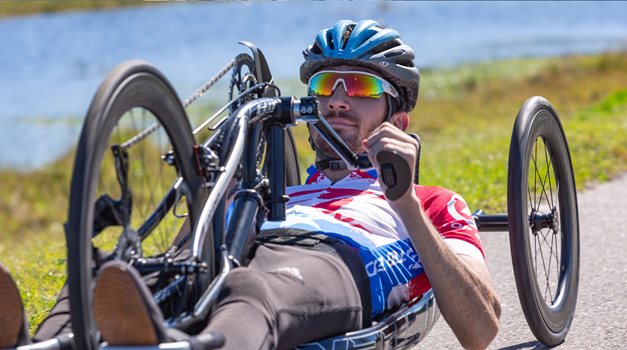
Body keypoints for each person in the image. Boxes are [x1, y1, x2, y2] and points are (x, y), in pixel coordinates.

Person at [0, 19, 501, 350]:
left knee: (251, 287)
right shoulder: (271, 193)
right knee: (113, 273)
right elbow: (196, 258)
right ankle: (35, 342)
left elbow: (481, 329)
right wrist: (212, 196)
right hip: (259, 241)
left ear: (400, 118)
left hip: (339, 256)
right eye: (326, 85)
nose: (338, 99)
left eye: (362, 86)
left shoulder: (435, 203)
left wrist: (404, 199)